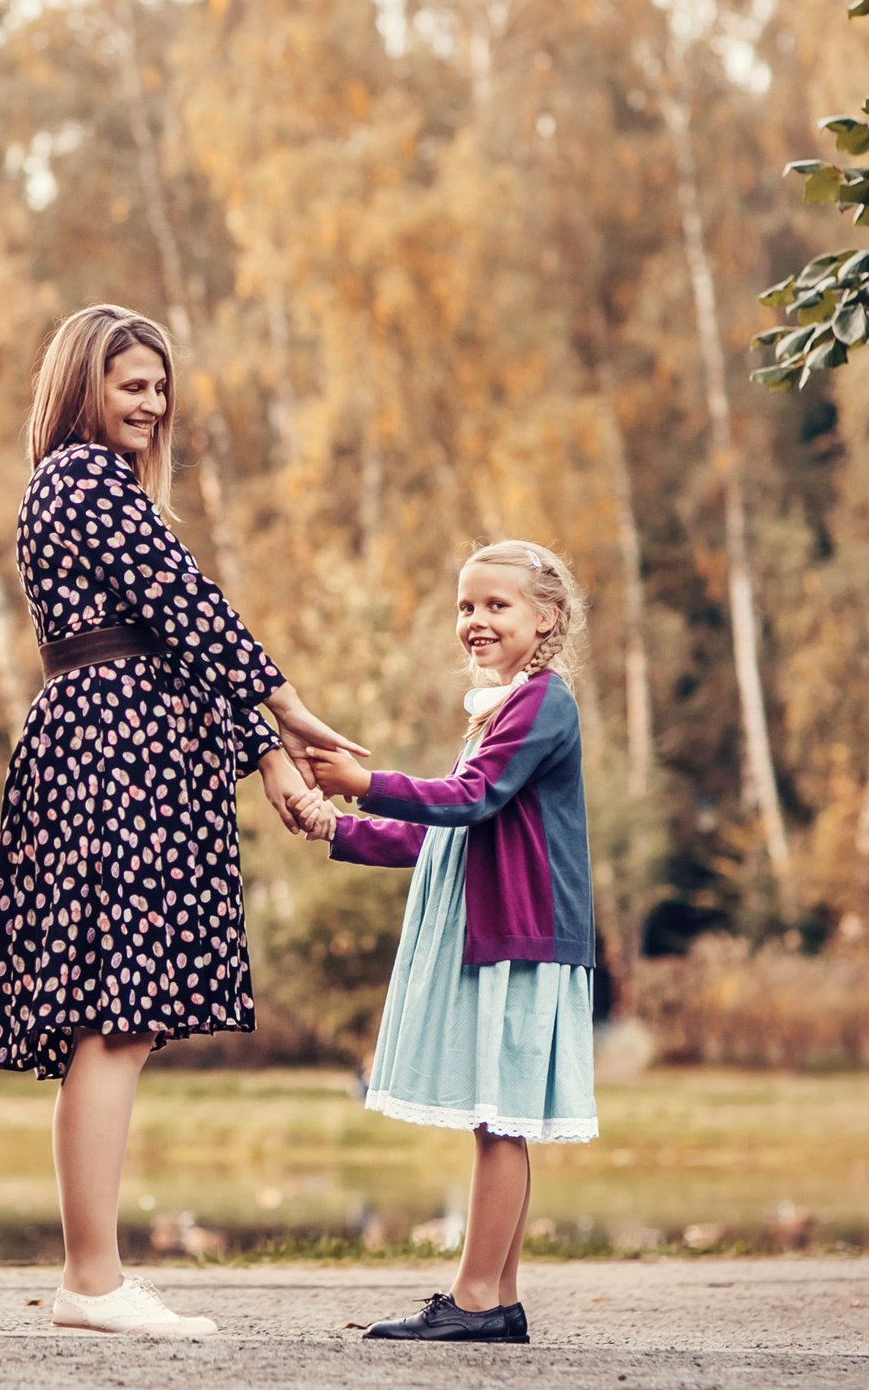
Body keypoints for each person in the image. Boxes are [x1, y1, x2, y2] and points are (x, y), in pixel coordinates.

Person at [0, 304, 358, 1339]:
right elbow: (188, 608)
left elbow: (172, 638)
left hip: (137, 743)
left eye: (157, 387)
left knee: (122, 1018)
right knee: (113, 1015)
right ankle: (91, 1281)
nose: (148, 404)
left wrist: (267, 757)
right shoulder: (81, 479)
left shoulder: (105, 490)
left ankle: (92, 1275)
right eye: (128, 384)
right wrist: (285, 703)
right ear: (80, 388)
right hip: (113, 751)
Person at [288, 539, 598, 1346]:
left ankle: (473, 1301)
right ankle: (496, 1294)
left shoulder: (542, 703)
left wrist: (359, 781)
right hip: (504, 930)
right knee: (499, 1120)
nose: (476, 620)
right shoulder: (507, 706)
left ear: (547, 618)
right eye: (466, 605)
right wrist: (342, 828)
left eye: (497, 605)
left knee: (499, 1119)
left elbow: (468, 798)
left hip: (520, 934)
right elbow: (446, 837)